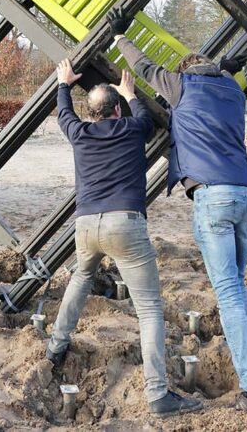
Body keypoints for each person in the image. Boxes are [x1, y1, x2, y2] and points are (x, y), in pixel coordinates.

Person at [107, 7, 247, 415]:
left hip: (213, 197)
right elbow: (230, 73)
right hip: (246, 194)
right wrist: (227, 66)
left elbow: (144, 67)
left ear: (185, 71)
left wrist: (119, 37)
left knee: (230, 291)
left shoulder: (182, 86)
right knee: (238, 285)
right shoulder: (234, 91)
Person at [45, 59, 203, 419]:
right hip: (125, 224)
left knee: (80, 279)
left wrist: (64, 83)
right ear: (117, 110)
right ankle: (158, 394)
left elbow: (64, 113)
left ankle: (56, 346)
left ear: (93, 114)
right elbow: (146, 119)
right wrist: (131, 93)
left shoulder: (79, 134)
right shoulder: (133, 129)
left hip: (85, 225)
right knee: (148, 310)